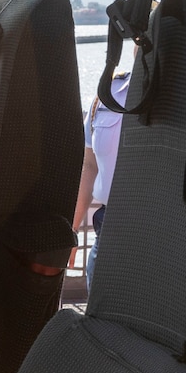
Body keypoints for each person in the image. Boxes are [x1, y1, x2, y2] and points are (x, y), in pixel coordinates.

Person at [73, 70, 129, 288]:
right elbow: (89, 165)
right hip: (106, 231)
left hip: (159, 234)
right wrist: (73, 230)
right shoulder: (109, 91)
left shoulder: (184, 94)